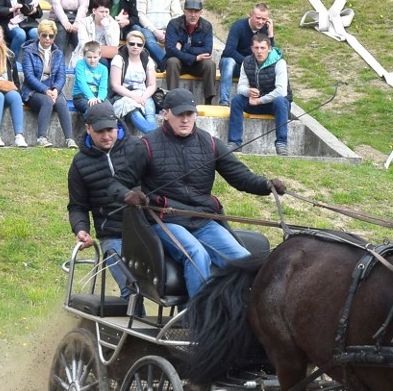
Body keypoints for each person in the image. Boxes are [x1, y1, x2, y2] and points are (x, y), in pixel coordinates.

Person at [108, 88, 287, 298]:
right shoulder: (146, 145)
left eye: (189, 114)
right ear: (165, 113)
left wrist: (266, 185)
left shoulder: (210, 144)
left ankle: (241, 316)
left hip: (204, 220)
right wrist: (128, 195)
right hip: (166, 220)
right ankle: (198, 320)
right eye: (179, 114)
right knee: (196, 254)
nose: (185, 119)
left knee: (243, 259)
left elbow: (241, 177)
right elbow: (115, 184)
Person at [68, 101, 141, 300]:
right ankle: (133, 330)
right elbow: (77, 206)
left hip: (147, 230)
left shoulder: (136, 147)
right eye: (100, 131)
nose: (106, 135)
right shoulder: (79, 163)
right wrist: (81, 229)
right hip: (112, 236)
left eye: (110, 129)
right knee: (132, 288)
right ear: (88, 128)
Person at [227, 33, 291, 156]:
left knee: (280, 101)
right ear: (252, 49)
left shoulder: (280, 63)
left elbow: (282, 91)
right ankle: (234, 142)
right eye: (256, 48)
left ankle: (281, 143)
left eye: (262, 48)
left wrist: (260, 100)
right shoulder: (247, 62)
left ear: (269, 48)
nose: (259, 51)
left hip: (275, 104)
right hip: (255, 101)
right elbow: (241, 87)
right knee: (237, 100)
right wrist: (248, 91)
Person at [21, 20, 77, 148]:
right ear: (39, 35)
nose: (47, 38)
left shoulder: (58, 53)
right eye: (44, 35)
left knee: (61, 101)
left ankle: (69, 139)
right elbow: (29, 77)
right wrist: (46, 90)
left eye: (51, 36)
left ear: (54, 37)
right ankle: (41, 137)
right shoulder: (28, 51)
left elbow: (61, 75)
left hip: (51, 89)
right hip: (32, 91)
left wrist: (56, 90)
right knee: (47, 101)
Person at [217, 2, 273, 107]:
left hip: (252, 68)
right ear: (250, 14)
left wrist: (271, 34)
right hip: (236, 65)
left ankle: (263, 103)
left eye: (264, 19)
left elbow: (271, 55)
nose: (261, 22)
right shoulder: (238, 26)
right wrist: (247, 62)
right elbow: (229, 51)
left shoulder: (265, 30)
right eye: (258, 18)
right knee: (228, 61)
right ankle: (224, 101)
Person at [163, 0, 215, 105]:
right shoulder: (174, 24)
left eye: (196, 12)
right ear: (184, 11)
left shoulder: (207, 26)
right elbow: (170, 49)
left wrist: (184, 48)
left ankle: (209, 101)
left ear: (201, 12)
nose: (193, 15)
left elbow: (207, 50)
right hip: (180, 63)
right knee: (172, 61)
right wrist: (194, 57)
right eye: (190, 11)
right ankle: (173, 98)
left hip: (197, 65)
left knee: (210, 64)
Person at [109, 29, 157, 133]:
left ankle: (154, 137)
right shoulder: (118, 59)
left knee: (150, 112)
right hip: (123, 96)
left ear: (143, 46)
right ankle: (154, 136)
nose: (135, 46)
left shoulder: (147, 60)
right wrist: (134, 97)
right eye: (132, 44)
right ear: (127, 44)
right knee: (134, 112)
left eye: (139, 45)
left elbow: (152, 85)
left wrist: (143, 97)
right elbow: (115, 85)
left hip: (143, 94)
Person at [133, 0, 181, 70]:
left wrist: (169, 30)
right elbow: (141, 15)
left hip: (169, 29)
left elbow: (177, 15)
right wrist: (155, 31)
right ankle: (168, 65)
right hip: (148, 29)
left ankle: (171, 65)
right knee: (148, 40)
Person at [69, 0, 119, 67]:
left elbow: (114, 46)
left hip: (107, 56)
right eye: (101, 12)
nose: (104, 15)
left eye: (106, 12)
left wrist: (107, 27)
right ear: (94, 11)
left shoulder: (113, 24)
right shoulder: (84, 22)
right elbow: (84, 45)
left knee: (116, 62)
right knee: (101, 61)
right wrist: (100, 51)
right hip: (88, 55)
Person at [71, 40, 108, 116]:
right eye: (89, 57)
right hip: (80, 95)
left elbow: (103, 87)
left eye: (95, 57)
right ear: (84, 55)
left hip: (97, 95)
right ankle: (90, 126)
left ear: (100, 56)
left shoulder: (103, 69)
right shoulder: (80, 64)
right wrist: (91, 97)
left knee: (108, 109)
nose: (92, 60)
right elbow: (81, 83)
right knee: (93, 109)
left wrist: (100, 98)